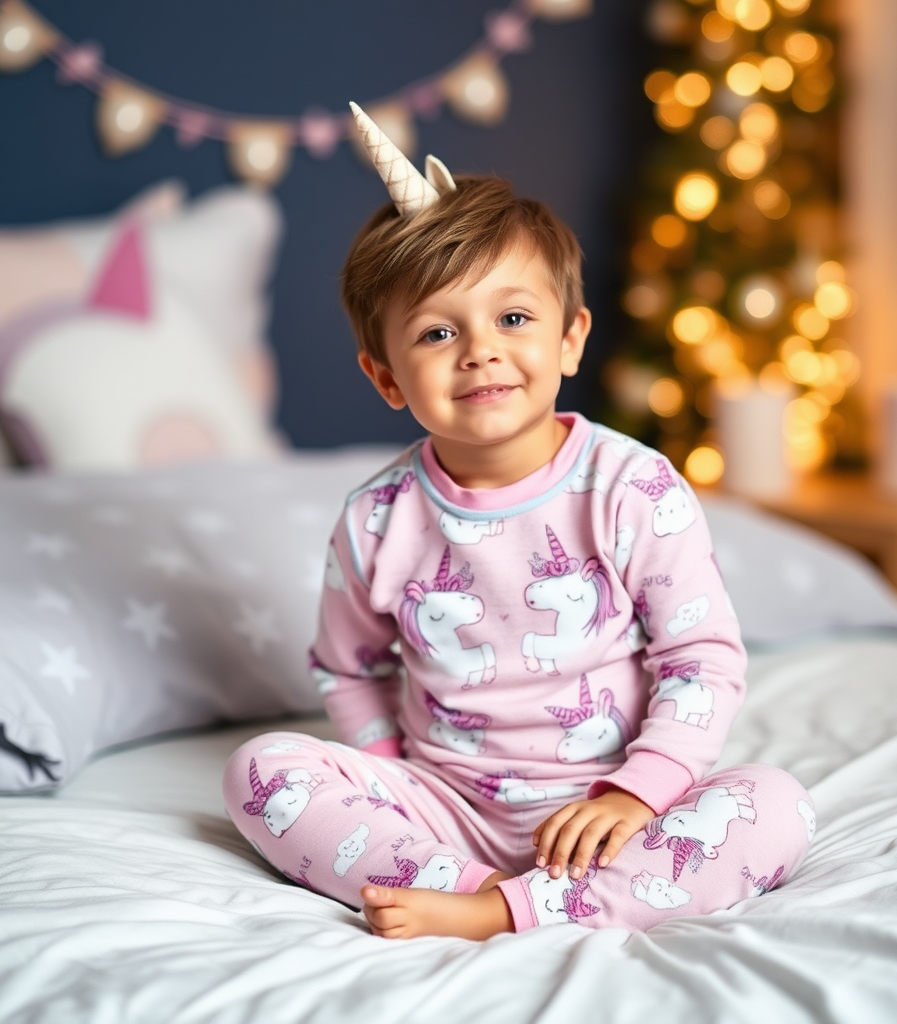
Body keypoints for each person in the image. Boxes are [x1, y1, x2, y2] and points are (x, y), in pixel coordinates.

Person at [222, 104, 815, 941]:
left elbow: (702, 660)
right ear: (387, 377)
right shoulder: (376, 519)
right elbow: (347, 670)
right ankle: (469, 887)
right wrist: (390, 791)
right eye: (436, 332)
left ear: (571, 337)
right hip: (446, 808)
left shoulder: (631, 487)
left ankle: (499, 912)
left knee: (775, 806)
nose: (480, 350)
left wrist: (638, 790)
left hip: (613, 806)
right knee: (259, 770)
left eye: (513, 318)